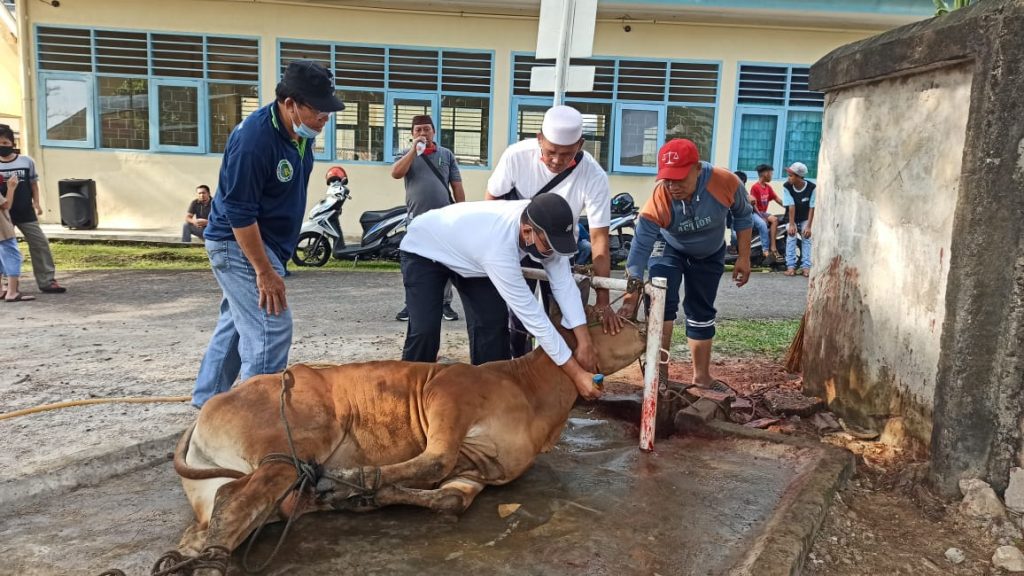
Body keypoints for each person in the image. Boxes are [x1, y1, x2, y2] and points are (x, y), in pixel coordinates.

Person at [190, 60, 345, 408]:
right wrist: (264, 271)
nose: (325, 118)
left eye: (327, 110)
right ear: (289, 103)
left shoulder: (298, 133)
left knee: (235, 327)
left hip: (266, 242)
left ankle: (207, 407)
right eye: (317, 110)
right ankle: (254, 421)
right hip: (239, 243)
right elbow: (239, 213)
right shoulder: (254, 141)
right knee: (270, 328)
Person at [399, 193, 603, 400]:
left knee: (492, 327)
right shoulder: (498, 248)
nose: (553, 251)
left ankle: (490, 399)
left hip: (471, 258)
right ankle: (404, 396)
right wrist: (577, 374)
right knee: (425, 330)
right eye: (550, 245)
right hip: (425, 249)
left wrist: (585, 342)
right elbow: (534, 319)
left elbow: (564, 286)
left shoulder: (546, 224)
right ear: (527, 232)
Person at [486, 105, 622, 357]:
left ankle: (557, 375)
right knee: (517, 318)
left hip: (559, 250)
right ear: (539, 138)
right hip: (516, 247)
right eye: (550, 152)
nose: (557, 160)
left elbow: (599, 238)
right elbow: (491, 204)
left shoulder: (593, 175)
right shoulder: (516, 156)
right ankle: (520, 368)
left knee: (563, 316)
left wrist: (603, 301)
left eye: (567, 154)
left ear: (580, 144)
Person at [619, 139, 753, 388]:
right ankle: (659, 378)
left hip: (710, 252)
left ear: (697, 168)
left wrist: (744, 257)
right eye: (668, 179)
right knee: (661, 301)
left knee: (701, 310)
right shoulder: (661, 196)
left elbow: (744, 215)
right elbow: (639, 249)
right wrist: (631, 293)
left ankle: (702, 377)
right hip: (668, 246)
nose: (673, 186)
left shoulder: (725, 182)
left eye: (680, 179)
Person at [391, 114, 465, 323]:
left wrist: (461, 213)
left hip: (444, 220)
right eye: (418, 130)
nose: (423, 133)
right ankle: (411, 303)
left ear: (434, 131)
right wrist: (413, 152)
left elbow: (457, 186)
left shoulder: (446, 154)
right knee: (414, 264)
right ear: (412, 134)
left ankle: (445, 303)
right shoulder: (408, 154)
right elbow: (396, 174)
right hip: (416, 221)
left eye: (426, 129)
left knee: (445, 262)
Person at [0, 124, 66, 294]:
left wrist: (37, 203)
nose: (3, 146)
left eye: (5, 143)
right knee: (4, 249)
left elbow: (33, 185)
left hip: (25, 211)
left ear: (12, 143)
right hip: (2, 214)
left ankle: (47, 281)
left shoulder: (26, 161)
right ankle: (6, 285)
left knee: (40, 243)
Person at [0, 173, 34, 302]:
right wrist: (11, 187)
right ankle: (12, 292)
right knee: (13, 257)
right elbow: (6, 205)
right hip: (3, 230)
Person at [781, 161, 816, 277]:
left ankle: (806, 267)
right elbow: (791, 206)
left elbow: (812, 207)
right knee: (791, 236)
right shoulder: (787, 186)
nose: (788, 178)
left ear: (799, 177)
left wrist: (809, 226)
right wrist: (791, 224)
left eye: (791, 176)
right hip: (791, 217)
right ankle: (790, 267)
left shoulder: (812, 188)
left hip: (806, 217)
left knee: (807, 237)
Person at [750, 164, 784, 265]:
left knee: (775, 220)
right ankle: (766, 250)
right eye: (771, 173)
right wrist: (761, 217)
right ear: (765, 173)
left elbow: (777, 199)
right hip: (755, 212)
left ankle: (773, 246)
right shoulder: (755, 187)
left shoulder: (768, 187)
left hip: (763, 213)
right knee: (762, 224)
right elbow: (753, 205)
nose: (772, 176)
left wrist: (789, 207)